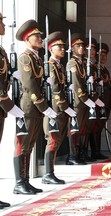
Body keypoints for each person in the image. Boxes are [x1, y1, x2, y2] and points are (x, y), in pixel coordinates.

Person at [14, 19, 57, 195]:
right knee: (22, 145)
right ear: (27, 39)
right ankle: (19, 182)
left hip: (36, 109)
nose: (40, 38)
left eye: (40, 36)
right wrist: (43, 106)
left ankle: (25, 180)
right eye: (36, 36)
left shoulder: (36, 58)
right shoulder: (25, 58)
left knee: (30, 145)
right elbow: (30, 85)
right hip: (29, 107)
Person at [42, 31, 77, 184]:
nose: (63, 49)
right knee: (53, 140)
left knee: (58, 140)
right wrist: (64, 107)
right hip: (55, 110)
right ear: (51, 49)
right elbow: (55, 89)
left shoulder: (59, 66)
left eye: (63, 46)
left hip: (61, 110)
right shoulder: (50, 66)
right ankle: (48, 173)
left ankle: (50, 172)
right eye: (59, 47)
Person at [0, 12, 24, 208]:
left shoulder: (1, 49)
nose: (3, 25)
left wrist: (10, 74)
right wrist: (9, 105)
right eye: (0, 21)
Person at [66, 33, 96, 165]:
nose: (81, 48)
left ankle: (78, 153)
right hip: (77, 102)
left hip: (83, 102)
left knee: (81, 129)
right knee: (74, 129)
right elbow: (77, 84)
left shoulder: (82, 63)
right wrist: (85, 99)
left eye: (82, 46)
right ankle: (72, 155)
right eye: (78, 46)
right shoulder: (72, 63)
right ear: (72, 48)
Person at [83, 37, 105, 161]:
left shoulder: (93, 64)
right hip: (86, 100)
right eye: (89, 48)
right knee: (84, 129)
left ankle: (90, 152)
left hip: (94, 99)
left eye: (94, 49)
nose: (92, 51)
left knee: (92, 127)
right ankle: (82, 153)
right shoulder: (83, 64)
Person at [94, 42, 111, 159]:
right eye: (101, 55)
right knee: (95, 128)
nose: (103, 58)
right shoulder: (95, 69)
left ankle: (97, 151)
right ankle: (95, 152)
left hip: (105, 103)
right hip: (98, 103)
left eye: (105, 55)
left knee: (99, 128)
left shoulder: (104, 70)